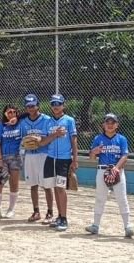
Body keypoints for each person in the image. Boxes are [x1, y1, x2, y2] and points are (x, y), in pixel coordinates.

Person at [85, 113, 133, 237]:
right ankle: (95, 225)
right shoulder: (98, 138)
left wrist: (116, 168)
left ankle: (128, 226)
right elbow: (92, 159)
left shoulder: (121, 139)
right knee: (100, 198)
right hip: (102, 170)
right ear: (103, 125)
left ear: (117, 125)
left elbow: (125, 155)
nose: (110, 125)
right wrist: (94, 152)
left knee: (122, 198)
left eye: (113, 123)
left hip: (117, 171)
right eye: (107, 123)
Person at [36, 94, 78, 231]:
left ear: (63, 105)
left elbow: (73, 140)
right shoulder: (47, 122)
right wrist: (54, 135)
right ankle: (59, 216)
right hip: (50, 158)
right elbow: (42, 142)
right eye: (53, 104)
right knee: (54, 187)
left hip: (64, 159)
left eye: (58, 104)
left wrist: (75, 159)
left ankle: (64, 218)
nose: (56, 107)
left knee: (61, 188)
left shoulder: (69, 120)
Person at [17, 94, 54, 223]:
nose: (31, 108)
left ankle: (49, 212)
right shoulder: (23, 122)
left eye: (33, 106)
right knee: (33, 185)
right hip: (30, 156)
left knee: (46, 185)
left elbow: (51, 138)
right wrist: (24, 143)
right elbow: (21, 139)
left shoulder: (47, 120)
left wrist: (40, 140)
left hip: (43, 155)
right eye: (28, 106)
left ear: (38, 105)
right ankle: (36, 211)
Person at [0, 105, 23, 219]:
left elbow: (27, 114)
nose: (11, 114)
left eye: (14, 112)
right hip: (4, 158)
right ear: (5, 114)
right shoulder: (1, 126)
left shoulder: (20, 124)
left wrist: (18, 118)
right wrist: (0, 159)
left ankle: (11, 209)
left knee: (14, 183)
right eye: (9, 112)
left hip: (16, 157)